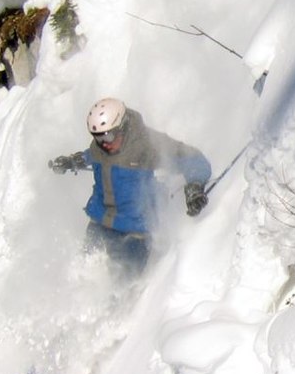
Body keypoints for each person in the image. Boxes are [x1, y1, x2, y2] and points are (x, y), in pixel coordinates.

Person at [49, 97, 211, 276]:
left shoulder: (147, 145)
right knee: (82, 275)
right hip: (101, 222)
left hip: (135, 232)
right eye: (97, 137)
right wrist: (71, 162)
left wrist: (195, 186)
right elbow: (91, 155)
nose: (105, 143)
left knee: (119, 288)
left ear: (123, 126)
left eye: (108, 136)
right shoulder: (101, 147)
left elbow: (194, 160)